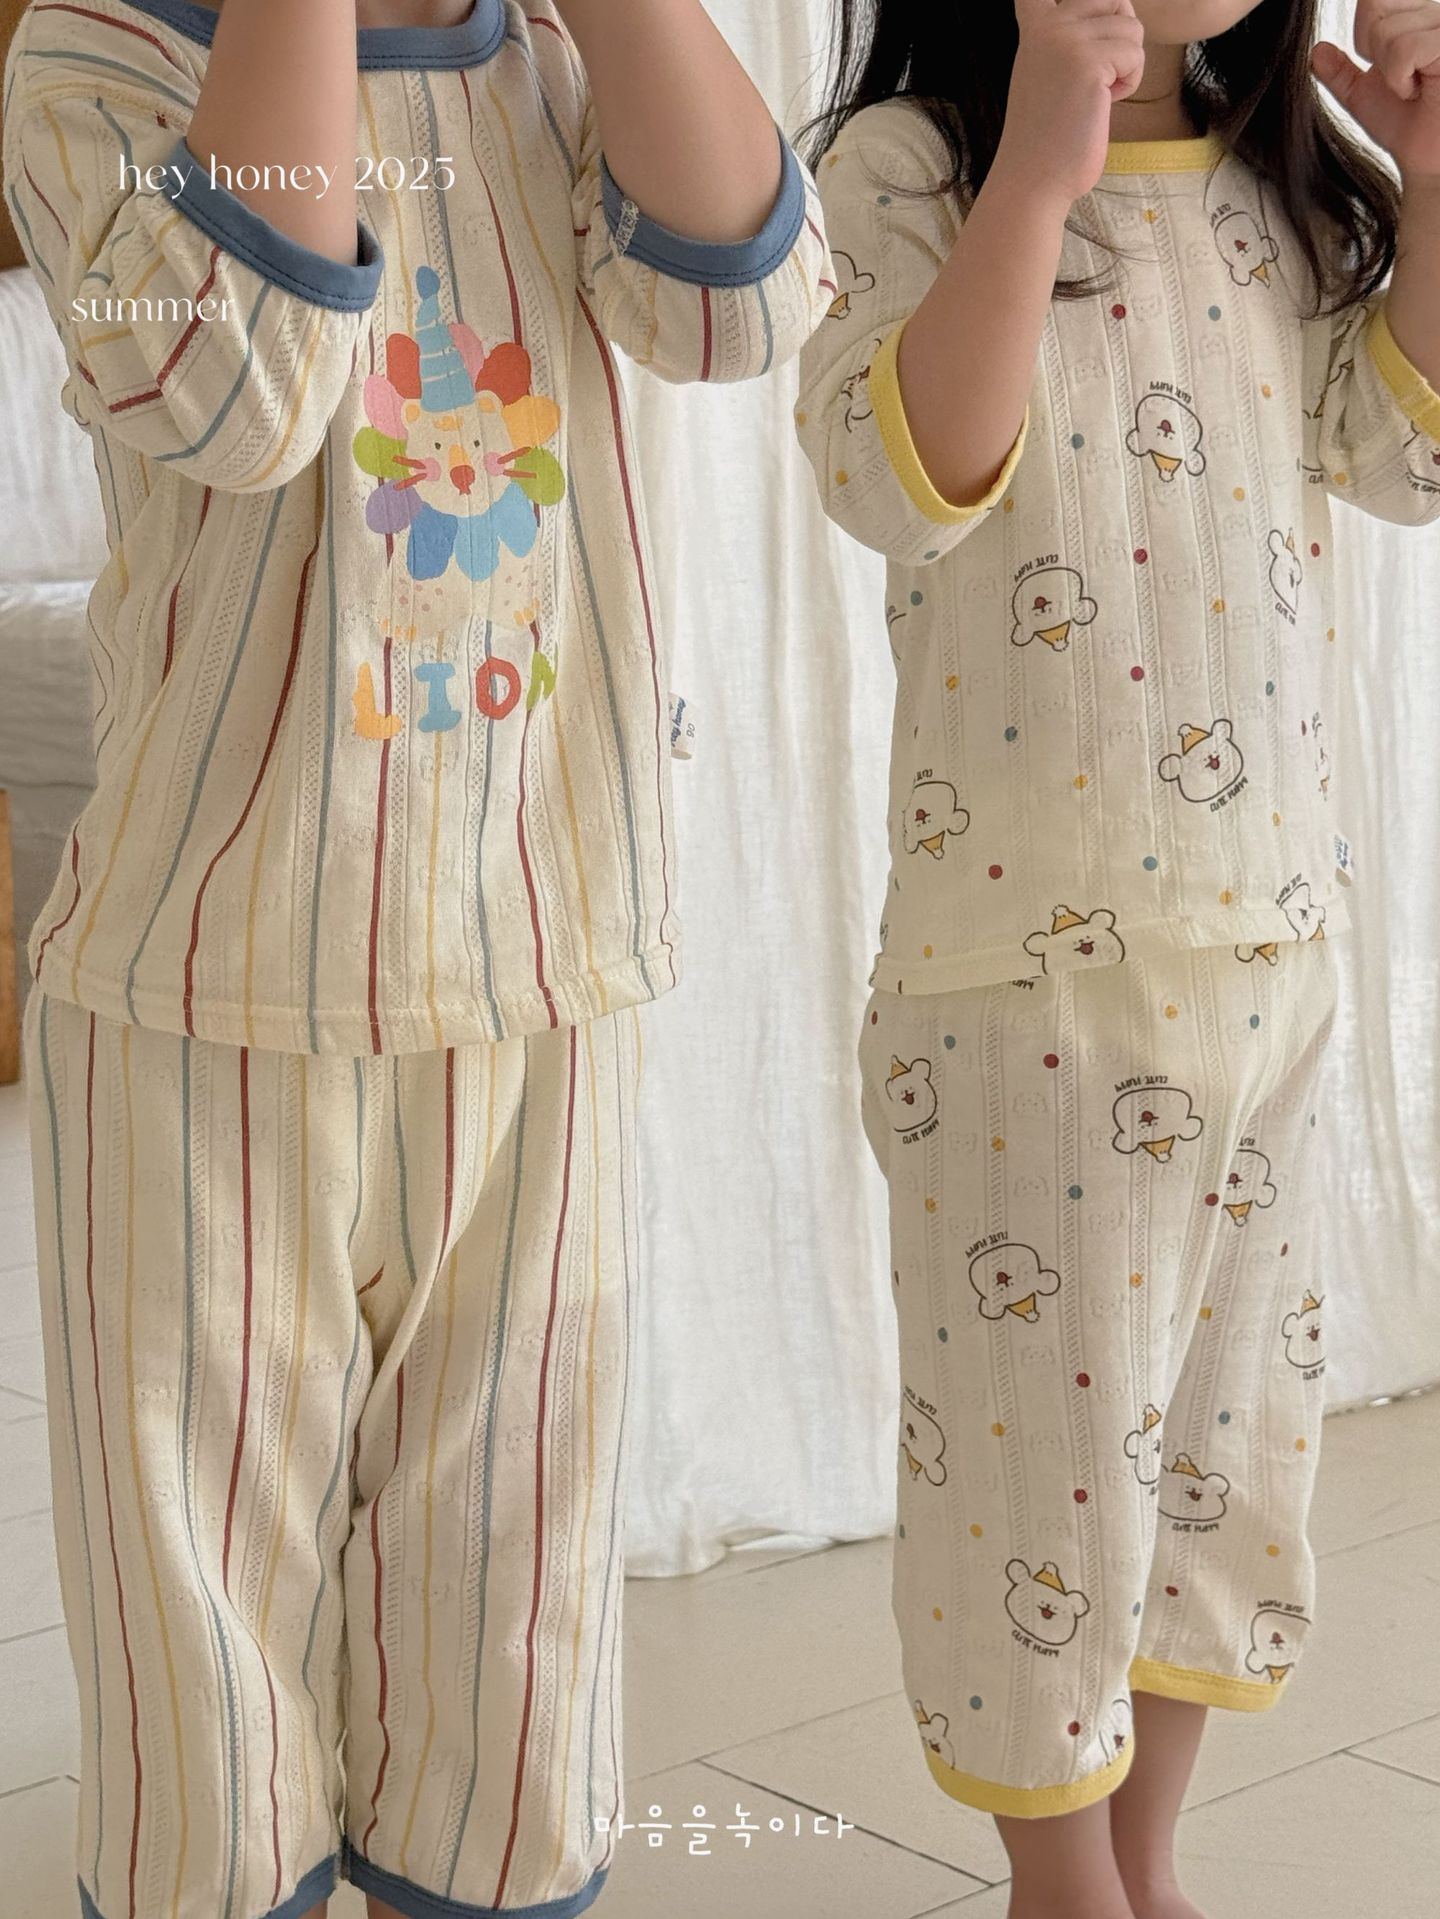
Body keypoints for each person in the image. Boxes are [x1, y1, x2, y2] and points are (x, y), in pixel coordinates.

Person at [3, 3, 832, 1917]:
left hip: (541, 961)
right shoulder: (95, 59)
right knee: (199, 1639)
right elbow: (238, 390)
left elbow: (744, 311)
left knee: (509, 1615)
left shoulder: (552, 49)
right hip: (203, 989)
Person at [797, 3, 1440, 1915]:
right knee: (1040, 1488)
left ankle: (1143, 1865)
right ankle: (1060, 1886)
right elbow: (900, 476)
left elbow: (1407, 459)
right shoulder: (908, 173)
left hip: (1275, 952)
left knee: (1215, 1475)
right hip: (1027, 991)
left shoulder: (1283, 187)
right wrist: (1036, 174)